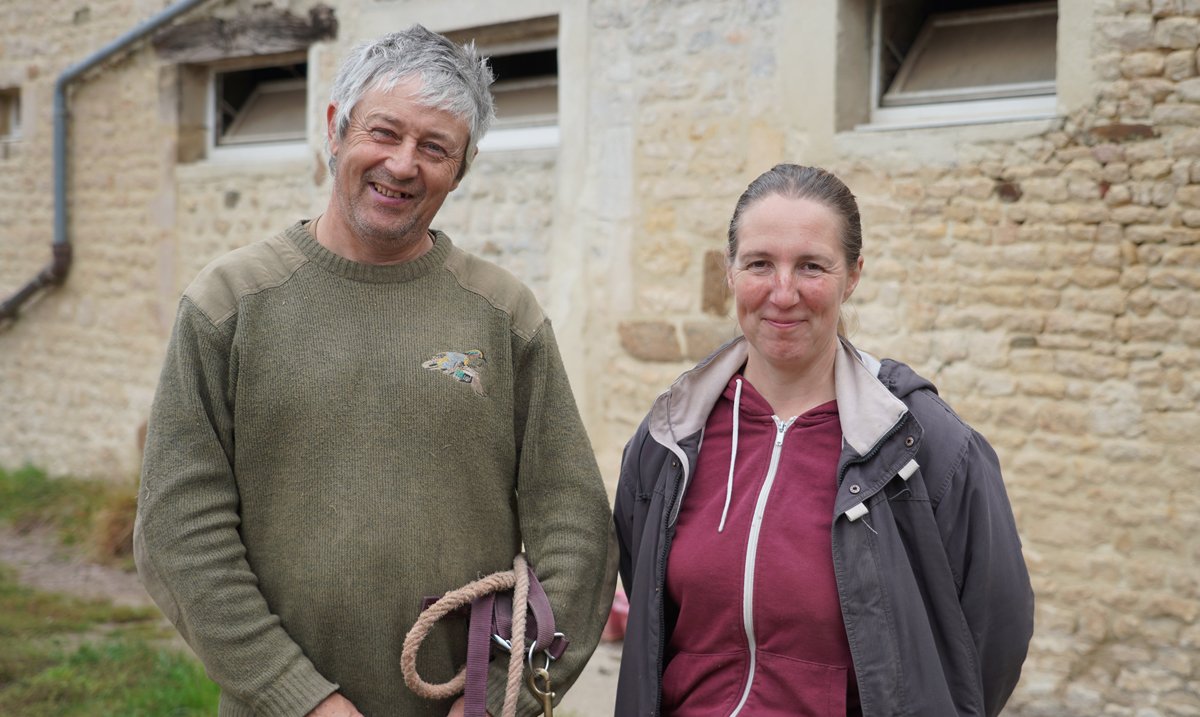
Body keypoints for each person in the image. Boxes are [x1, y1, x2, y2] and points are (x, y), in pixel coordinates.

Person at [135, 25, 615, 717]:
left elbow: (575, 528)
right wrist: (303, 699)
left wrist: (493, 701)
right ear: (335, 128)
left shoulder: (503, 315)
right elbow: (180, 529)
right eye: (383, 132)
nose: (402, 164)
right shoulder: (229, 305)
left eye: (435, 147)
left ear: (463, 167)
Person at [612, 164, 1033, 716]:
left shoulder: (927, 447)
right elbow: (648, 607)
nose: (783, 293)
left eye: (811, 266)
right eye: (760, 264)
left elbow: (993, 636)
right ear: (730, 272)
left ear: (852, 276)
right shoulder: (669, 440)